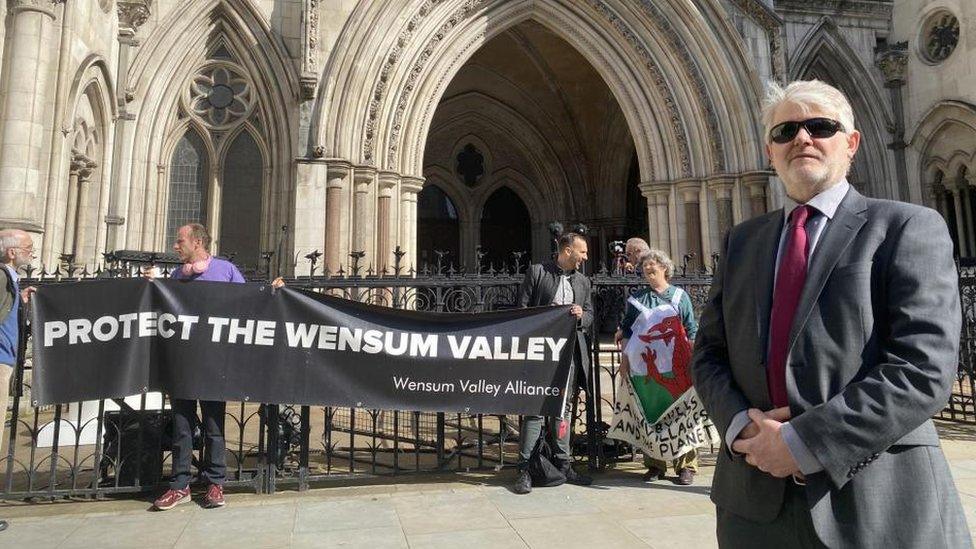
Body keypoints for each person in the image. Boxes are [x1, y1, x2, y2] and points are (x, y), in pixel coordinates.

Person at [692, 79, 971, 548]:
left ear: (852, 142)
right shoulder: (742, 241)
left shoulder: (906, 226)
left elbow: (923, 369)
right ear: (770, 151)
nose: (801, 138)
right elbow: (708, 355)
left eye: (819, 126)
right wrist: (742, 429)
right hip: (754, 505)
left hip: (876, 499)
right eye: (785, 132)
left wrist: (803, 442)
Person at [152, 223, 244, 511]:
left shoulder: (226, 271)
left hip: (214, 362)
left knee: (214, 426)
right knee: (182, 426)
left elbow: (249, 305)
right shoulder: (176, 275)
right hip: (183, 363)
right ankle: (180, 486)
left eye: (180, 241)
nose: (175, 246)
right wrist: (151, 287)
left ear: (198, 242)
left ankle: (215, 483)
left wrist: (275, 292)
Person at [512, 232, 594, 494]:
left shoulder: (583, 282)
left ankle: (563, 463)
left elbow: (591, 315)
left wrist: (581, 316)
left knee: (564, 409)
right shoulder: (537, 273)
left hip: (569, 355)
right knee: (534, 408)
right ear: (567, 250)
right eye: (582, 252)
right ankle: (525, 468)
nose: (585, 257)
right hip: (540, 353)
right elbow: (522, 309)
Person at [617, 249, 698, 485]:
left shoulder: (680, 296)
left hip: (678, 365)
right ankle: (655, 465)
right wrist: (624, 359)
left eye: (652, 266)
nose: (648, 270)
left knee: (682, 414)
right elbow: (628, 331)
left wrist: (694, 359)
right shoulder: (638, 299)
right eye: (645, 268)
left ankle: (686, 466)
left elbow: (690, 329)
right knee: (651, 414)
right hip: (647, 368)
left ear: (664, 268)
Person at [0, 229, 36, 532]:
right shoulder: (1, 276)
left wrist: (21, 300)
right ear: (12, 252)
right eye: (28, 247)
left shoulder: (10, 278)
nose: (32, 252)